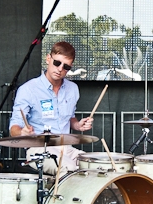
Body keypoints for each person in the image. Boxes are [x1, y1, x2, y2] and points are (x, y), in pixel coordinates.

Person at [9, 41, 93, 174]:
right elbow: (14, 127)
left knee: (94, 166)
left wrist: (77, 125)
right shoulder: (28, 89)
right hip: (39, 149)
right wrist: (22, 133)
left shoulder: (73, 89)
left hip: (66, 148)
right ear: (48, 58)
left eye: (66, 67)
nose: (60, 69)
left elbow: (69, 117)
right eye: (57, 63)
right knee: (70, 168)